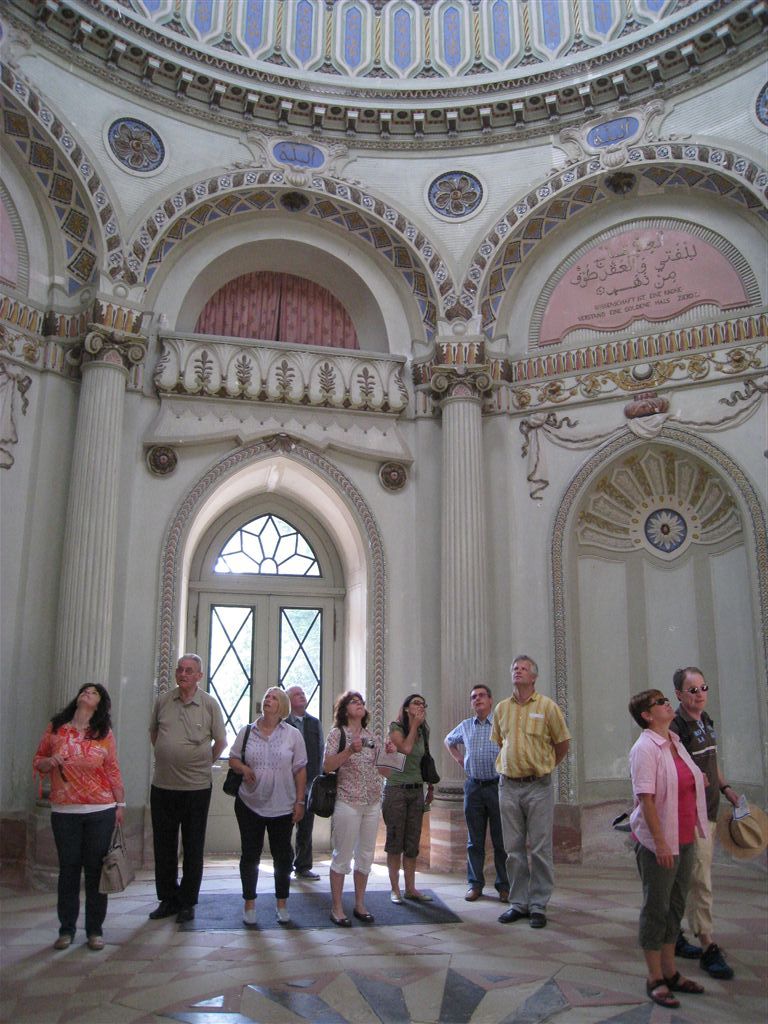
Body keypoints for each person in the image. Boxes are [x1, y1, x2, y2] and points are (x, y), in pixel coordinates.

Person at [629, 688, 710, 1008]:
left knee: (675, 906)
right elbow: (645, 797)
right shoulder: (644, 748)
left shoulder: (674, 742)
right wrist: (660, 841)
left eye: (666, 701)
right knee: (656, 907)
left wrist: (697, 780)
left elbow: (686, 778)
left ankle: (671, 971)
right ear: (647, 715)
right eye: (661, 703)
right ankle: (654, 977)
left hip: (685, 835)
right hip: (659, 841)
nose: (667, 705)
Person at [33, 684, 125, 951]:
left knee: (96, 871)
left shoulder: (103, 733)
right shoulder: (57, 727)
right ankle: (66, 929)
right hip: (65, 810)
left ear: (100, 704)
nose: (87, 694)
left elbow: (113, 768)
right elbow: (38, 759)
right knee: (69, 869)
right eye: (84, 690)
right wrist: (49, 762)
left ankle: (95, 930)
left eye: (94, 693)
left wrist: (121, 803)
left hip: (100, 810)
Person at [671, 667, 740, 979]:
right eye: (692, 690)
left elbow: (712, 762)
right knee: (700, 879)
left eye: (703, 688)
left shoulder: (705, 720)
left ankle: (672, 936)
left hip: (710, 811)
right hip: (692, 815)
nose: (700, 694)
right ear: (679, 695)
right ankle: (708, 945)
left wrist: (725, 788)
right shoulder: (677, 726)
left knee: (690, 878)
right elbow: (676, 770)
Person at [493, 655, 570, 929]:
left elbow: (562, 744)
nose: (518, 671)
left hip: (538, 786)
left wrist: (543, 766)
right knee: (512, 848)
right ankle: (518, 902)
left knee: (539, 848)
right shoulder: (501, 709)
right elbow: (500, 741)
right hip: (509, 786)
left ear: (534, 676)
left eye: (524, 668)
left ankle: (538, 904)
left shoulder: (548, 707)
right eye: (515, 668)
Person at [149, 654, 226, 923]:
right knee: (164, 844)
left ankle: (187, 901)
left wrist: (203, 764)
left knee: (193, 846)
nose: (182, 674)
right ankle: (168, 899)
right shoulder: (163, 701)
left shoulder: (208, 704)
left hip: (196, 788)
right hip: (163, 785)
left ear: (199, 676)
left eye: (189, 670)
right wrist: (168, 754)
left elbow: (220, 742)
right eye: (179, 669)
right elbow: (154, 733)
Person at [229, 686, 308, 925]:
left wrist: (300, 800)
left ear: (282, 706)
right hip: (249, 802)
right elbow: (233, 757)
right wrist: (243, 768)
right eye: (266, 697)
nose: (268, 700)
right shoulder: (247, 731)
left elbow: (300, 769)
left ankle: (281, 903)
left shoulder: (292, 734)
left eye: (273, 698)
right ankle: (249, 904)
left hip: (282, 805)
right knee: (250, 854)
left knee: (282, 857)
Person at [323, 691, 392, 926]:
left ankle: (360, 904)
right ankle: (337, 907)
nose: (360, 704)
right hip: (348, 801)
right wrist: (350, 750)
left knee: (365, 856)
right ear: (344, 709)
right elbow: (328, 766)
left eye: (362, 701)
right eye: (354, 702)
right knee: (342, 856)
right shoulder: (337, 734)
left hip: (372, 802)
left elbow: (386, 772)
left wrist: (392, 755)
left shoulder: (372, 737)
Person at [445, 684, 509, 903]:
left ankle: (504, 886)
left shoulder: (500, 724)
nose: (477, 699)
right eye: (474, 697)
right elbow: (449, 741)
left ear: (490, 701)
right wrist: (460, 760)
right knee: (475, 840)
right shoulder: (465, 726)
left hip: (497, 786)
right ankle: (475, 884)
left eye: (482, 696)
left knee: (501, 840)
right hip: (473, 788)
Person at [382, 693, 434, 904]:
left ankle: (411, 888)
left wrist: (430, 785)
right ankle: (395, 889)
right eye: (416, 703)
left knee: (412, 841)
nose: (421, 706)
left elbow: (425, 758)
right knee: (395, 840)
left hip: (416, 789)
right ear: (406, 708)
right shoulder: (396, 727)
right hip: (396, 789)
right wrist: (414, 726)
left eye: (423, 703)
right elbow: (405, 748)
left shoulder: (424, 730)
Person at [286, 684, 323, 880]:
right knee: (285, 827)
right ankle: (284, 867)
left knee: (306, 828)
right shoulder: (283, 723)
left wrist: (319, 779)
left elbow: (320, 750)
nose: (302, 696)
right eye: (297, 694)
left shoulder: (314, 723)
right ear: (288, 700)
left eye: (303, 693)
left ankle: (303, 866)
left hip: (309, 783)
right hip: (287, 784)